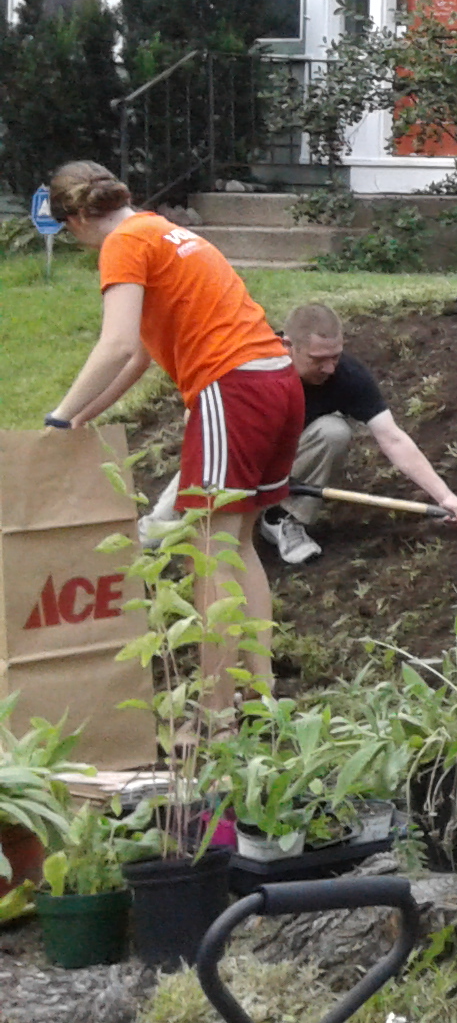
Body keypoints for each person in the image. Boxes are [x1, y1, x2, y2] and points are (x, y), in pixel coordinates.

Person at [42, 161, 295, 712]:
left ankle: (215, 715)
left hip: (231, 387)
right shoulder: (162, 231)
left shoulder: (123, 242)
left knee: (205, 555)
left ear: (77, 217)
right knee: (236, 546)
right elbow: (139, 355)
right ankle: (263, 699)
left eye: (70, 230)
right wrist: (83, 416)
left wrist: (58, 416)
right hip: (276, 378)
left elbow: (113, 344)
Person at [143, 303, 457, 564]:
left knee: (334, 432)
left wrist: (444, 496)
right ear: (287, 345)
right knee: (156, 536)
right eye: (319, 359)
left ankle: (282, 518)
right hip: (229, 455)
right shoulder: (249, 366)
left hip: (285, 461)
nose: (329, 368)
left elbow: (392, 437)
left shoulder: (346, 376)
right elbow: (197, 421)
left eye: (335, 357)